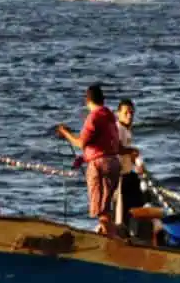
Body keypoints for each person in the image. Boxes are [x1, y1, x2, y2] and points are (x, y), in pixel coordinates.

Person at [57, 84, 122, 237]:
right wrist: (84, 157)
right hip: (113, 162)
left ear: (87, 100)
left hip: (99, 165)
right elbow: (105, 143)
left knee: (100, 209)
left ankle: (111, 239)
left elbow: (81, 143)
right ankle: (112, 237)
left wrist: (65, 133)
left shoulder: (94, 117)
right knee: (106, 208)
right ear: (103, 99)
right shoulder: (110, 116)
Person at [114, 99, 147, 237]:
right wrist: (132, 151)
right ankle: (121, 232)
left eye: (131, 113)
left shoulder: (126, 130)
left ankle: (131, 231)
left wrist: (135, 163)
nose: (129, 115)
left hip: (127, 173)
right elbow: (116, 148)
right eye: (126, 113)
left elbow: (126, 153)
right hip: (119, 176)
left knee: (137, 201)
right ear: (118, 114)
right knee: (121, 209)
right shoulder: (118, 129)